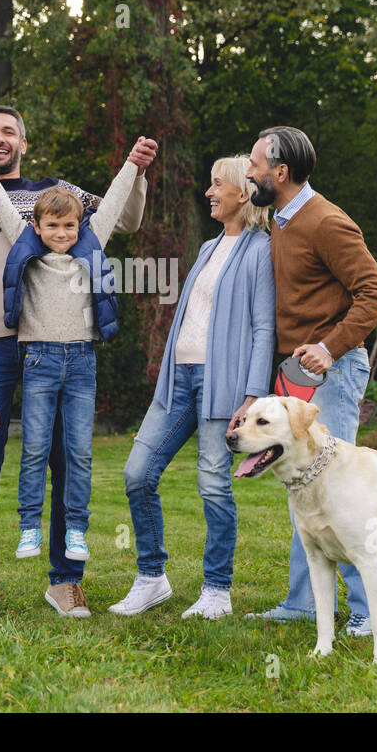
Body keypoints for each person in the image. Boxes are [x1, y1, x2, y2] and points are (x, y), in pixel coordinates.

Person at [0, 104, 154, 622]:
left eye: (8, 131)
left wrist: (138, 172)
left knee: (64, 459)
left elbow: (123, 219)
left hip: (58, 343)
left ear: (23, 142)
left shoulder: (55, 193)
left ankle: (65, 582)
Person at [109, 157, 275, 619]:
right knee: (137, 473)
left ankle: (217, 591)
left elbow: (264, 327)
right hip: (179, 379)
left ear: (243, 192)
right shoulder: (207, 247)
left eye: (216, 183)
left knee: (213, 486)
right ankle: (151, 578)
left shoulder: (261, 249)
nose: (209, 192)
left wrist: (252, 394)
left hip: (223, 385)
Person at [242, 126, 377, 633]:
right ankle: (304, 602)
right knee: (305, 485)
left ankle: (369, 613)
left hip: (335, 368)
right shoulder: (282, 219)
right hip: (300, 374)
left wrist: (329, 348)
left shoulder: (327, 221)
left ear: (280, 174)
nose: (248, 172)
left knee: (339, 489)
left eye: (255, 165)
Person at [0, 146, 142, 571]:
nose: (63, 233)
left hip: (82, 363)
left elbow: (116, 197)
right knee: (33, 447)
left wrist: (133, 164)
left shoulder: (92, 240)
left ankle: (75, 529)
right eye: (52, 226)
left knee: (79, 453)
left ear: (80, 224)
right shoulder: (24, 241)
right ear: (37, 225)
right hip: (39, 362)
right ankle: (29, 525)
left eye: (70, 225)